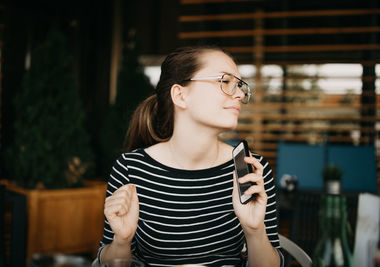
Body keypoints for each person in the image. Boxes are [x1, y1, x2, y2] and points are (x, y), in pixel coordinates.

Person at [98, 46, 283, 267]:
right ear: (180, 95)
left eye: (240, 85)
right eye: (225, 81)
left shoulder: (251, 170)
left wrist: (254, 231)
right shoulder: (130, 168)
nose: (240, 94)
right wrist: (122, 241)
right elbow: (109, 260)